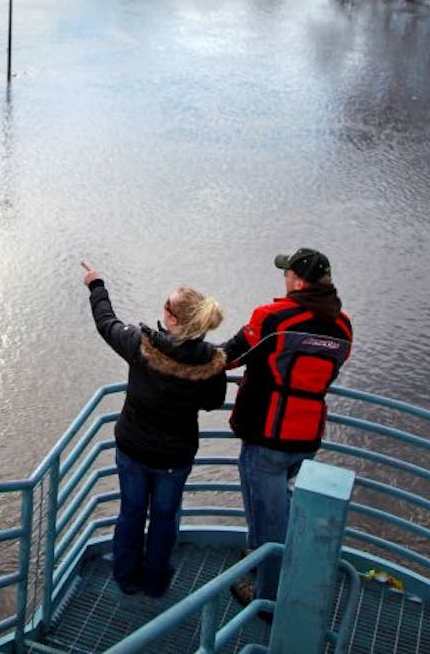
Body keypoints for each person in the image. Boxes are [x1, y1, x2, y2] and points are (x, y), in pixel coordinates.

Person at [81, 260, 229, 597]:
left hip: (133, 450)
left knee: (131, 513)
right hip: (175, 458)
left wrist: (96, 285)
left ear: (173, 319)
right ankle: (155, 581)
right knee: (164, 519)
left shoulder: (140, 344)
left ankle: (125, 576)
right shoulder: (210, 362)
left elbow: (106, 323)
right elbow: (212, 402)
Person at [222, 248, 353, 607]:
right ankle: (269, 564)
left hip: (267, 438)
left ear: (296, 281)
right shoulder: (343, 326)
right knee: (279, 508)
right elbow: (326, 370)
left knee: (269, 527)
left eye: (286, 274)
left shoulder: (273, 317)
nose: (284, 280)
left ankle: (268, 601)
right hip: (307, 437)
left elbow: (227, 357)